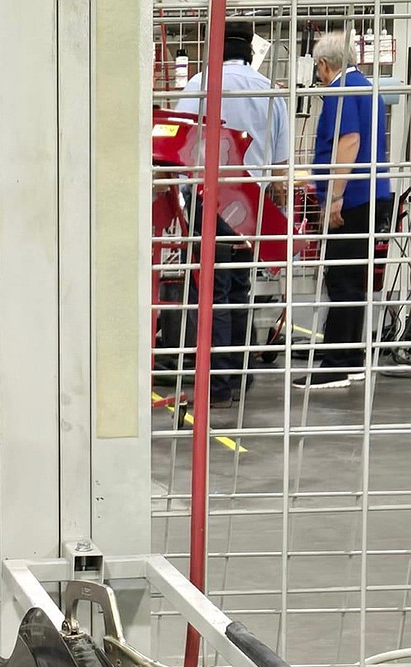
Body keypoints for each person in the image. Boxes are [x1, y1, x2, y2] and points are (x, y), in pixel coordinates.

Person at [176, 17, 291, 404]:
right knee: (240, 286)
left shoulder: (199, 85)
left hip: (209, 199)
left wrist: (180, 195)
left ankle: (217, 384)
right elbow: (279, 167)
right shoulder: (270, 92)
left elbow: (180, 144)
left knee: (212, 288)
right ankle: (240, 375)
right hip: (250, 203)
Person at [301, 31, 393, 389]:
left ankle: (336, 363)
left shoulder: (340, 90)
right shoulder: (368, 88)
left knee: (340, 279)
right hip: (373, 196)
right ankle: (352, 357)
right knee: (354, 280)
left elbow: (348, 140)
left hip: (353, 199)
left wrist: (334, 195)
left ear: (324, 64)